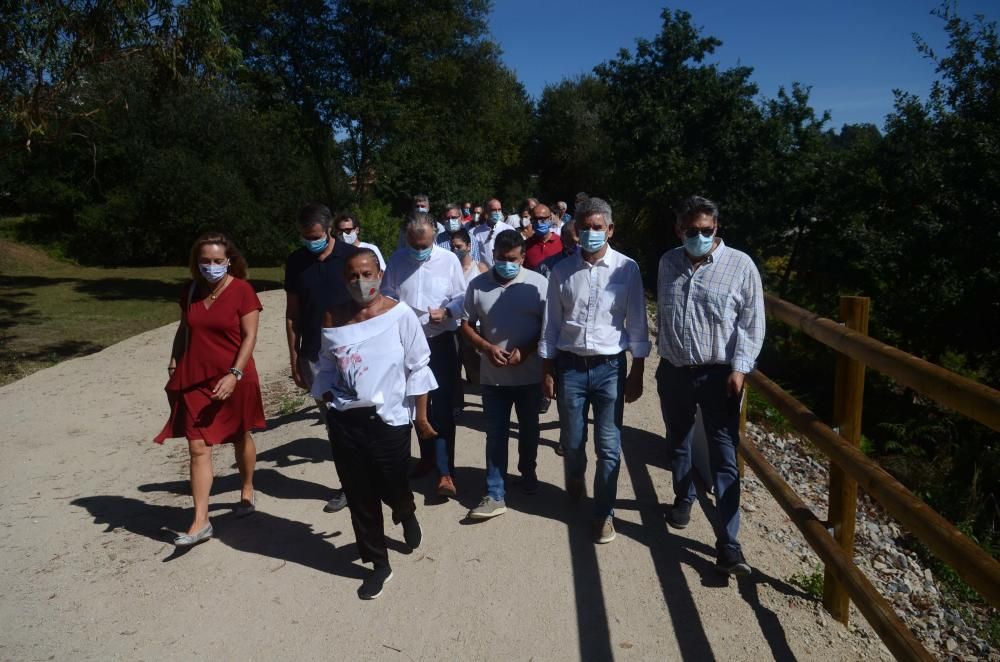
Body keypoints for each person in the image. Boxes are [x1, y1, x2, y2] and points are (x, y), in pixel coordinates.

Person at [312, 249, 438, 599]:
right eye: (353, 275)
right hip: (345, 421)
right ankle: (378, 564)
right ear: (344, 279)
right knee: (359, 494)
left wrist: (422, 419)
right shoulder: (333, 316)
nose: (360, 281)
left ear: (380, 274)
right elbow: (324, 366)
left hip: (390, 419)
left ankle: (405, 510)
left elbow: (419, 368)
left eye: (367, 273)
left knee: (392, 481)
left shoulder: (400, 315)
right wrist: (326, 398)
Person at [656, 195, 764, 576]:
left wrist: (741, 368)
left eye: (707, 230)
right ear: (679, 229)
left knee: (724, 455)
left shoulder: (741, 266)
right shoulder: (668, 261)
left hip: (720, 375)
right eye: (692, 230)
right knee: (678, 439)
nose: (700, 236)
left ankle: (729, 543)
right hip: (674, 370)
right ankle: (683, 497)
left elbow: (752, 321)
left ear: (717, 229)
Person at [539, 197, 650, 544]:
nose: (590, 233)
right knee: (572, 442)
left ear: (610, 230)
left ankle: (603, 513)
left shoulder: (627, 269)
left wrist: (638, 369)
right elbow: (551, 324)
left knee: (608, 444)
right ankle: (575, 474)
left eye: (597, 227)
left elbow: (637, 322)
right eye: (584, 227)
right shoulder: (561, 271)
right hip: (570, 367)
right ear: (575, 230)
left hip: (610, 369)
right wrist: (547, 367)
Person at [156, 233, 265, 547]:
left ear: (229, 260)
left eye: (218, 261)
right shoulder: (190, 291)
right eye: (205, 261)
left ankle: (246, 487)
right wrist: (175, 360)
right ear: (196, 262)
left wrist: (234, 374)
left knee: (239, 435)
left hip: (235, 376)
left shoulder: (243, 291)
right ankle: (201, 520)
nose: (212, 266)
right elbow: (184, 328)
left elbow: (249, 338)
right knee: (198, 447)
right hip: (195, 379)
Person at [462, 230, 548, 519]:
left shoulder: (538, 285)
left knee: (529, 430)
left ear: (523, 257)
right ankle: (495, 492)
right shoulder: (477, 285)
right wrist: (486, 347)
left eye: (512, 259)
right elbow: (466, 324)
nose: (506, 264)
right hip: (493, 378)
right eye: (500, 258)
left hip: (530, 376)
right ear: (493, 255)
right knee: (495, 435)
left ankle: (528, 472)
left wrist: (527, 350)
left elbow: (549, 328)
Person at [382, 212, 467, 497]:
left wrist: (447, 312)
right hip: (405, 344)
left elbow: (462, 297)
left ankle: (445, 472)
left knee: (441, 408)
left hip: (439, 341)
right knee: (417, 407)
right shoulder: (396, 261)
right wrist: (398, 310)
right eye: (414, 245)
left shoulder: (448, 260)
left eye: (425, 245)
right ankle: (426, 458)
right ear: (407, 238)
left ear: (434, 238)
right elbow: (387, 294)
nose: (419, 251)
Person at [284, 203, 357, 513]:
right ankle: (350, 485)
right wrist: (295, 357)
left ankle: (377, 475)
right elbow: (292, 314)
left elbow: (369, 301)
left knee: (365, 417)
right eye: (304, 236)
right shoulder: (297, 262)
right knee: (335, 425)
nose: (309, 241)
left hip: (354, 351)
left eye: (314, 235)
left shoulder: (351, 258)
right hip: (316, 355)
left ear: (328, 230)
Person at [451, 229, 487, 394]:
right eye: (453, 247)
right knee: (455, 363)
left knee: (477, 365)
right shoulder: (450, 269)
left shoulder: (480, 268)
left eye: (459, 246)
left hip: (476, 324)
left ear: (468, 246)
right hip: (454, 323)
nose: (455, 251)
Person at [472, 198, 516, 268]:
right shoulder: (477, 231)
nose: (497, 212)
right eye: (493, 210)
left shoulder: (509, 229)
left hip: (504, 269)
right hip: (484, 272)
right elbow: (474, 254)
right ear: (486, 211)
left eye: (499, 209)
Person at [524, 203, 563, 271]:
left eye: (542, 219)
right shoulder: (525, 245)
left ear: (550, 218)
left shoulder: (562, 242)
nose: (539, 223)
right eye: (535, 219)